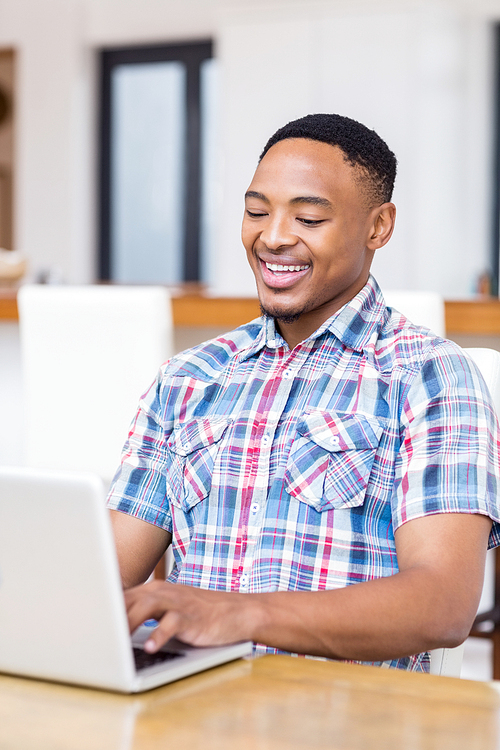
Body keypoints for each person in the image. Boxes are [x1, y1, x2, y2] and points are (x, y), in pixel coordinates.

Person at [107, 113, 500, 671]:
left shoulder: (429, 376)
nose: (272, 237)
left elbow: (443, 606)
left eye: (309, 217)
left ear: (378, 227)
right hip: (187, 708)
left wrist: (239, 614)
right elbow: (101, 576)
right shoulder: (189, 378)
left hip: (342, 717)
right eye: (256, 211)